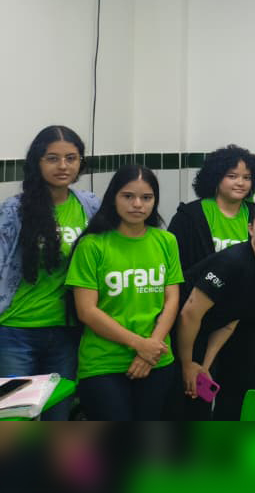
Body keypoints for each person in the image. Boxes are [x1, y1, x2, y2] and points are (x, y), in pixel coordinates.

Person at [0, 126, 98, 419]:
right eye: (52, 158)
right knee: (9, 428)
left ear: (80, 162)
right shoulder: (12, 211)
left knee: (59, 420)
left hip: (67, 335)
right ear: (37, 162)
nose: (63, 166)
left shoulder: (90, 205)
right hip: (15, 335)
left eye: (71, 158)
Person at [66, 165, 184, 421]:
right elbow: (86, 311)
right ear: (113, 198)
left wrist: (150, 349)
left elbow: (172, 299)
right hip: (103, 364)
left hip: (157, 360)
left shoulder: (166, 241)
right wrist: (139, 345)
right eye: (128, 196)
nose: (137, 204)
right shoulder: (92, 245)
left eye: (146, 198)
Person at [174, 199, 255, 419]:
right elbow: (189, 313)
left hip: (212, 329)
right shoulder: (233, 261)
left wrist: (205, 367)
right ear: (250, 229)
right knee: (190, 405)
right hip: (181, 331)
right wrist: (188, 364)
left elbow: (231, 321)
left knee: (211, 389)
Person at [169, 145, 255, 272]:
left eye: (247, 177)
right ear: (216, 178)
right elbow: (173, 264)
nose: (241, 183)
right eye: (232, 176)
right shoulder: (189, 216)